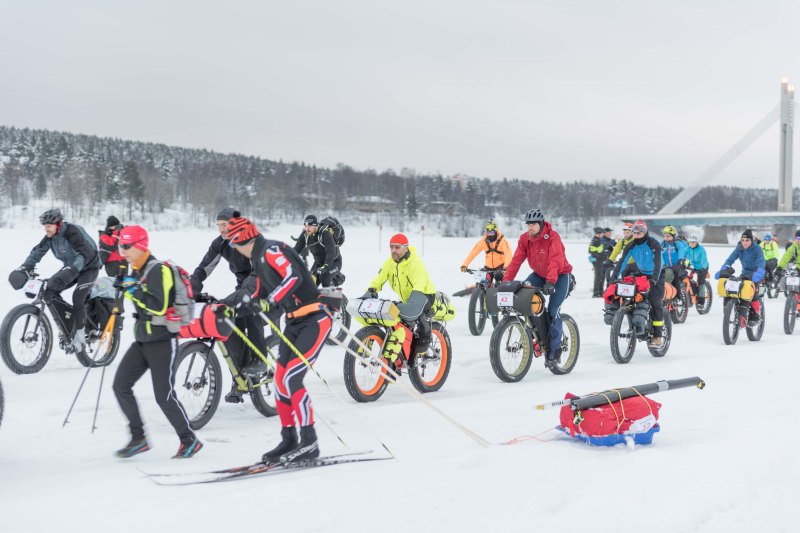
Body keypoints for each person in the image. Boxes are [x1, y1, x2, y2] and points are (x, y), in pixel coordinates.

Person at [225, 216, 331, 464]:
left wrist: (269, 301)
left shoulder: (271, 249)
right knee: (281, 381)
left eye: (234, 242)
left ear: (244, 238)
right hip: (294, 323)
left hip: (314, 320)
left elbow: (293, 277)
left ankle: (310, 441)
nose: (234, 249)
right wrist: (231, 309)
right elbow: (257, 293)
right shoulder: (258, 261)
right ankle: (289, 439)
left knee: (292, 377)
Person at [112, 225, 202, 459]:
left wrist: (133, 290)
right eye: (121, 245)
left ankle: (189, 440)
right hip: (143, 340)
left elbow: (159, 306)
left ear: (141, 245)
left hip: (162, 340)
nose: (123, 251)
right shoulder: (135, 270)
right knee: (120, 385)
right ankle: (138, 438)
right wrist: (125, 287)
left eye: (127, 246)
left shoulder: (157, 270)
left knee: (164, 396)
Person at [187, 207, 269, 401]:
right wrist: (190, 287)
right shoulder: (220, 244)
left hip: (264, 283)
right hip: (243, 285)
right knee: (230, 325)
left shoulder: (252, 239)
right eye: (218, 226)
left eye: (224, 225)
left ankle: (260, 359)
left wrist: (244, 294)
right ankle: (239, 379)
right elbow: (204, 267)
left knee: (251, 311)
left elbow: (260, 270)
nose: (221, 229)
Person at [17, 208, 101, 352]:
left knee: (78, 297)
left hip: (89, 268)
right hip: (71, 268)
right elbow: (38, 251)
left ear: (58, 224)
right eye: (44, 226)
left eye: (48, 226)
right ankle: (69, 323)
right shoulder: (51, 236)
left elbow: (83, 254)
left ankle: (80, 338)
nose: (46, 230)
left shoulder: (72, 232)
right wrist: (26, 267)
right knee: (48, 291)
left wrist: (72, 270)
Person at [503, 209, 573, 364]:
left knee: (553, 310)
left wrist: (551, 281)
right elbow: (516, 261)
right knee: (522, 294)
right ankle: (538, 335)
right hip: (539, 275)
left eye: (533, 224)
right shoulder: (525, 239)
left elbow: (556, 260)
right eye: (528, 224)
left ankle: (555, 351)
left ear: (541, 224)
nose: (530, 227)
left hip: (560, 275)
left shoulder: (553, 237)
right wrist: (506, 281)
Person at [364, 233, 436, 372]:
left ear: (406, 248)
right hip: (408, 298)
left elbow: (420, 282)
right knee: (398, 319)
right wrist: (372, 290)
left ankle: (425, 336)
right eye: (391, 247)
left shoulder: (415, 262)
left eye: (397, 247)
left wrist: (414, 299)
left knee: (417, 314)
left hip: (424, 294)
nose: (393, 251)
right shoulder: (390, 263)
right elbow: (379, 278)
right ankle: (401, 353)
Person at [608, 220, 665, 348]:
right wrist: (614, 277)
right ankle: (637, 320)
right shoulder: (631, 246)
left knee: (655, 302)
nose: (636, 235)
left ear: (644, 232)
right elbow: (623, 261)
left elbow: (658, 262)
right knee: (634, 294)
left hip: (658, 274)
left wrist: (655, 278)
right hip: (642, 273)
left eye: (639, 232)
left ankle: (657, 336)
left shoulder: (653, 243)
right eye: (634, 232)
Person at [714, 229, 765, 327]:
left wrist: (758, 272)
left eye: (747, 240)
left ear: (751, 240)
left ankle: (754, 314)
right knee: (733, 289)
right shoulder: (739, 248)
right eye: (743, 240)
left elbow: (761, 262)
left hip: (756, 274)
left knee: (752, 292)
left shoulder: (757, 249)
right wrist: (724, 269)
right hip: (745, 274)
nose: (745, 243)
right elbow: (730, 259)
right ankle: (730, 310)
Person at [293, 215, 342, 288]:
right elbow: (295, 250)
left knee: (324, 278)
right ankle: (313, 298)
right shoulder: (305, 235)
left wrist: (326, 266)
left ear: (316, 225)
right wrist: (285, 259)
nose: (307, 228)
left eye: (310, 226)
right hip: (318, 263)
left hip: (333, 262)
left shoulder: (324, 233)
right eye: (305, 226)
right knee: (310, 283)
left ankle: (335, 295)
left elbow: (331, 252)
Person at [660, 225, 688, 291]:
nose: (666, 238)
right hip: (666, 267)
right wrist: (662, 265)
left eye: (668, 236)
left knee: (676, 281)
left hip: (677, 266)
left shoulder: (677, 243)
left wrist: (680, 262)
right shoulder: (662, 244)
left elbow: (682, 251)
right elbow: (657, 254)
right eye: (665, 236)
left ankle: (678, 297)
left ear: (673, 236)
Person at [685, 235, 710, 302]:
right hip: (692, 266)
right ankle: (691, 292)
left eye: (693, 242)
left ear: (696, 243)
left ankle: (701, 301)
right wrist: (685, 263)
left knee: (700, 283)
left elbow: (704, 260)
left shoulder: (701, 249)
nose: (691, 244)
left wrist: (702, 268)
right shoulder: (687, 248)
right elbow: (685, 257)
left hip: (702, 266)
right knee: (687, 278)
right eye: (690, 242)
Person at [589, 227, 605, 297]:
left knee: (599, 276)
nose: (602, 234)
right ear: (598, 233)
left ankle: (599, 292)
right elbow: (596, 251)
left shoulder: (596, 240)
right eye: (601, 233)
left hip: (597, 260)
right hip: (597, 260)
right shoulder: (596, 241)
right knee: (598, 276)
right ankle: (596, 293)